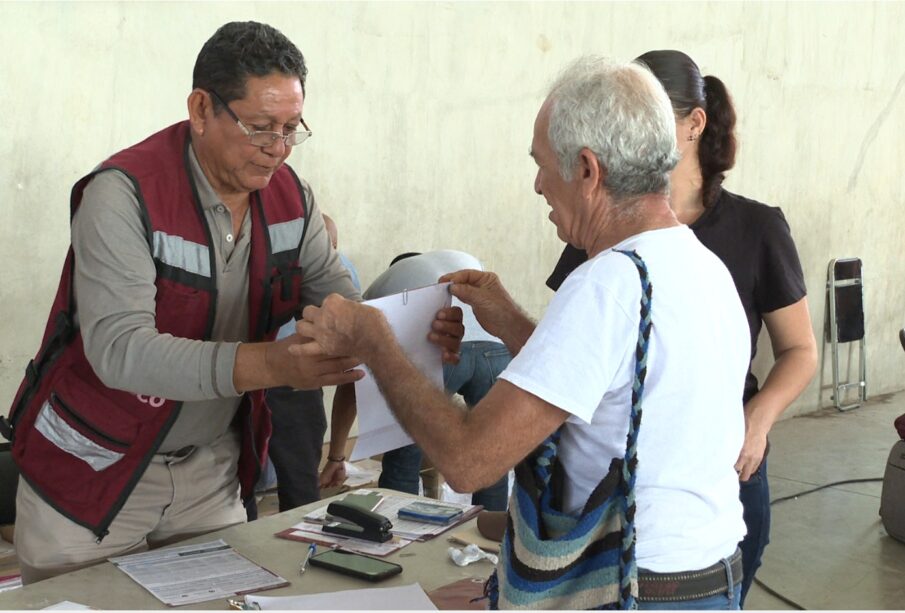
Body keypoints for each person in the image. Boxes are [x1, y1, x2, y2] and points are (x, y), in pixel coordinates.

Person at [2, 21, 461, 584]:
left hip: (209, 470)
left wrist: (407, 330)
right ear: (200, 109)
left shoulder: (292, 197)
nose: (278, 149)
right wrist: (271, 363)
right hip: (93, 469)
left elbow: (337, 296)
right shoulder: (123, 195)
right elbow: (119, 350)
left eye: (293, 128)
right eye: (260, 127)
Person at [299, 56, 751, 609]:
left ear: (587, 170)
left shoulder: (606, 284)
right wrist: (510, 322)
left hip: (632, 587)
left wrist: (376, 341)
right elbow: (608, 382)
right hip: (709, 577)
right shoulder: (701, 266)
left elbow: (468, 460)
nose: (538, 185)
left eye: (542, 164)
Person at [546, 49, 818, 606]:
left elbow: (799, 349)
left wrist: (757, 419)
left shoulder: (756, 227)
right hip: (617, 486)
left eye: (650, 116)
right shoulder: (601, 224)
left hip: (722, 458)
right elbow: (564, 359)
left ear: (694, 125)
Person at [320, 250, 512, 511]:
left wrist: (336, 456)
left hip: (441, 349)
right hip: (497, 346)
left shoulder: (381, 287)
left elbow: (352, 379)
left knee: (403, 454)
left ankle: (396, 532)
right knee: (492, 454)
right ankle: (491, 537)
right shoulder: (453, 258)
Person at [248, 214, 361, 519]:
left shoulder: (336, 270)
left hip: (275, 376)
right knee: (290, 477)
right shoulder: (339, 269)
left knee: (276, 476)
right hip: (273, 374)